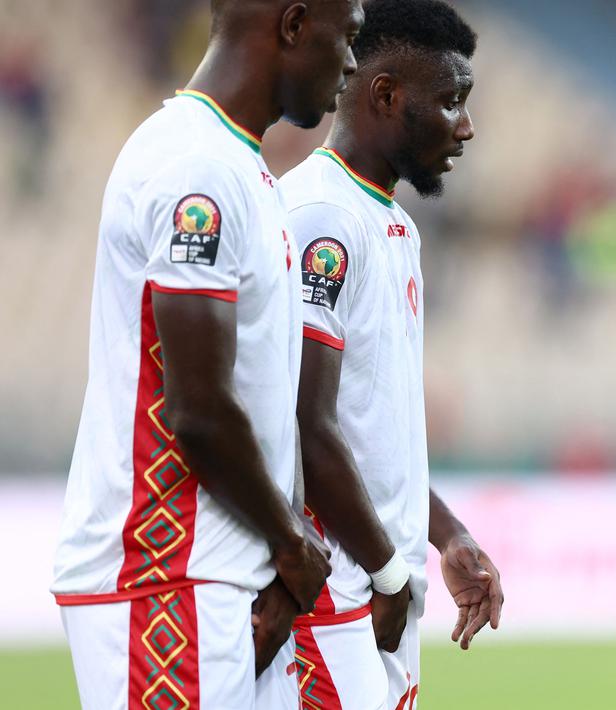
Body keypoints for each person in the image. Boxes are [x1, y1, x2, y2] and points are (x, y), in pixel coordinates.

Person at [50, 1, 363, 707]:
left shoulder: (238, 166)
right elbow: (198, 410)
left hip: (221, 574)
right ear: (292, 25)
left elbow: (255, 400)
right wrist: (292, 545)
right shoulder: (198, 168)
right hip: (163, 575)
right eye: (345, 38)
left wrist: (278, 556)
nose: (349, 62)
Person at [280, 1, 502, 707]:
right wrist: (384, 573)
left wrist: (446, 534)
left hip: (380, 589)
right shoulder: (322, 218)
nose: (465, 126)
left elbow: (371, 425)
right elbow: (301, 425)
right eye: (451, 102)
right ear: (385, 95)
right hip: (332, 591)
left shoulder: (392, 225)